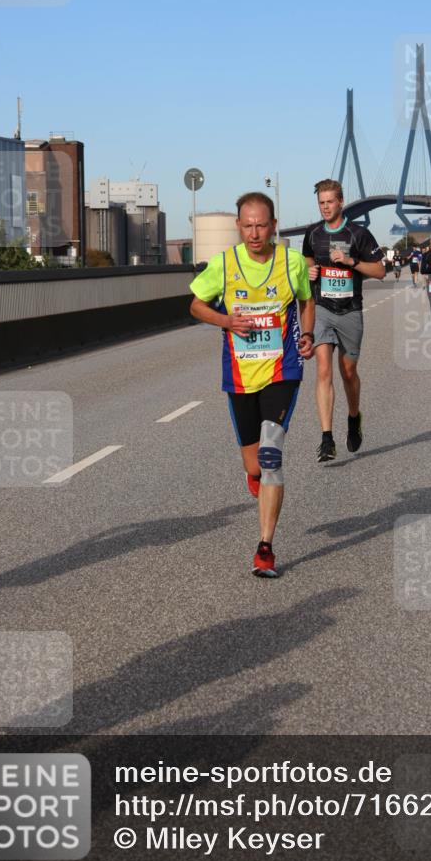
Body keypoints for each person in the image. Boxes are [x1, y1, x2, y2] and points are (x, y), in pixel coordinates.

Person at [189, 192, 314, 578]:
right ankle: (255, 475)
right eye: (248, 225)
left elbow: (306, 301)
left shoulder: (291, 262)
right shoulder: (225, 264)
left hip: (283, 369)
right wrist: (226, 322)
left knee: (271, 454)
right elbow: (195, 304)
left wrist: (306, 333)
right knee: (254, 463)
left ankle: (265, 548)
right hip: (240, 375)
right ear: (238, 227)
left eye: (262, 225)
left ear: (274, 225)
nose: (255, 232)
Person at [302, 179, 385, 461]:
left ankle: (353, 417)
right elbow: (308, 262)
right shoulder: (312, 234)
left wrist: (352, 263)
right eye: (321, 203)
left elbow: (380, 271)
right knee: (323, 370)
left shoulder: (359, 234)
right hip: (323, 310)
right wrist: (310, 272)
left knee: (347, 372)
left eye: (329, 202)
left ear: (340, 202)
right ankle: (327, 439)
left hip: (350, 311)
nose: (325, 207)